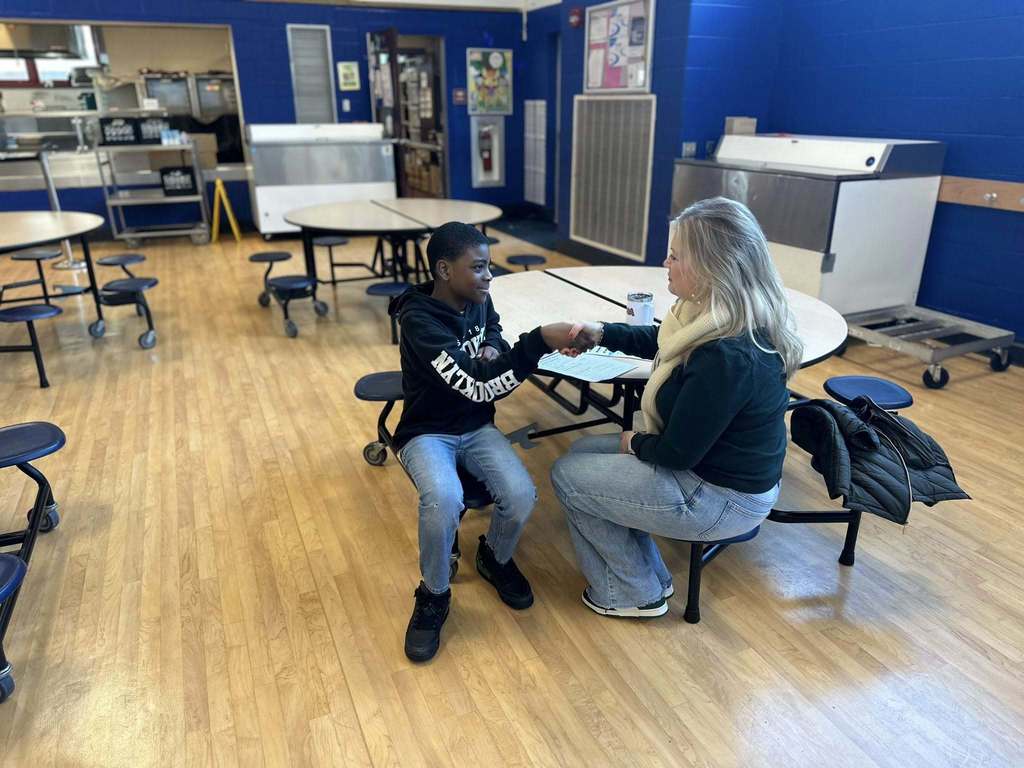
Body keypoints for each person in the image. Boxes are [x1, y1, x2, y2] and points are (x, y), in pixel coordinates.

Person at [551, 197, 803, 618]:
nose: (665, 262)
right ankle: (651, 576)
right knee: (580, 454)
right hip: (715, 472)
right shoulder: (715, 313)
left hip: (722, 496)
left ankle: (631, 593)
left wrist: (634, 443)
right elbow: (662, 341)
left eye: (674, 255)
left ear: (708, 268)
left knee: (568, 475)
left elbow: (675, 454)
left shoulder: (727, 354)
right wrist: (599, 333)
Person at [389, 222, 576, 661]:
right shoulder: (419, 322)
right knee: (442, 497)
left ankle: (493, 556)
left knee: (522, 494)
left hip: (475, 427)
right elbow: (477, 386)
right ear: (443, 270)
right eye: (478, 268)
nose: (489, 277)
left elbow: (492, 327)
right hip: (427, 431)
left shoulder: (477, 296)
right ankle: (433, 594)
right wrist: (538, 343)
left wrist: (494, 346)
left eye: (488, 266)